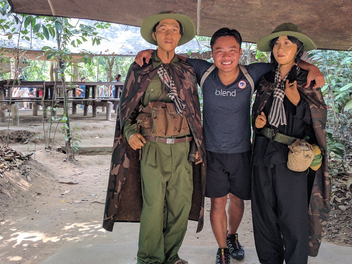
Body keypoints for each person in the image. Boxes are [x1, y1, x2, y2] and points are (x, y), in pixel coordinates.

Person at [135, 28, 325, 264]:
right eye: (219, 51)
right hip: (214, 152)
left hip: (244, 152)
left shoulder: (253, 73)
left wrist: (312, 67)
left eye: (232, 50)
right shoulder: (204, 71)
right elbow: (172, 57)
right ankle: (223, 249)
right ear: (212, 53)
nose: (226, 56)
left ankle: (233, 237)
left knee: (238, 200)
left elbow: (285, 64)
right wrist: (148, 51)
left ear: (240, 52)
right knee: (218, 201)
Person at [103, 11, 206, 264]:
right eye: (163, 29)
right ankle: (149, 259)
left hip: (183, 148)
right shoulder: (141, 67)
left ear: (180, 36)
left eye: (174, 29)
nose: (168, 34)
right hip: (152, 148)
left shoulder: (188, 70)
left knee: (180, 208)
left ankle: (171, 257)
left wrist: (197, 145)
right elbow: (126, 108)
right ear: (154, 34)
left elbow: (194, 109)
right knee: (153, 208)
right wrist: (129, 132)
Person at [251, 23, 330, 263]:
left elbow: (318, 121)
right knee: (264, 221)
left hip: (293, 161)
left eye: (287, 43)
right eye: (277, 43)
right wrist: (258, 122)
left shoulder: (307, 81)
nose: (280, 48)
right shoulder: (265, 80)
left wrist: (298, 103)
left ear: (298, 48)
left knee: (293, 220)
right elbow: (257, 111)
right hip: (263, 155)